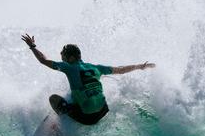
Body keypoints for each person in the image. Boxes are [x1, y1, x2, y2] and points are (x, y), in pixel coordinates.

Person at [21, 33, 155, 125]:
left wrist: (33, 46)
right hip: (103, 111)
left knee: (54, 99)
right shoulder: (96, 68)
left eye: (63, 57)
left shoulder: (69, 67)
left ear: (71, 58)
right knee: (80, 93)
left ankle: (64, 123)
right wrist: (139, 66)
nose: (62, 60)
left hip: (87, 118)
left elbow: (43, 60)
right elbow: (120, 70)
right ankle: (83, 105)